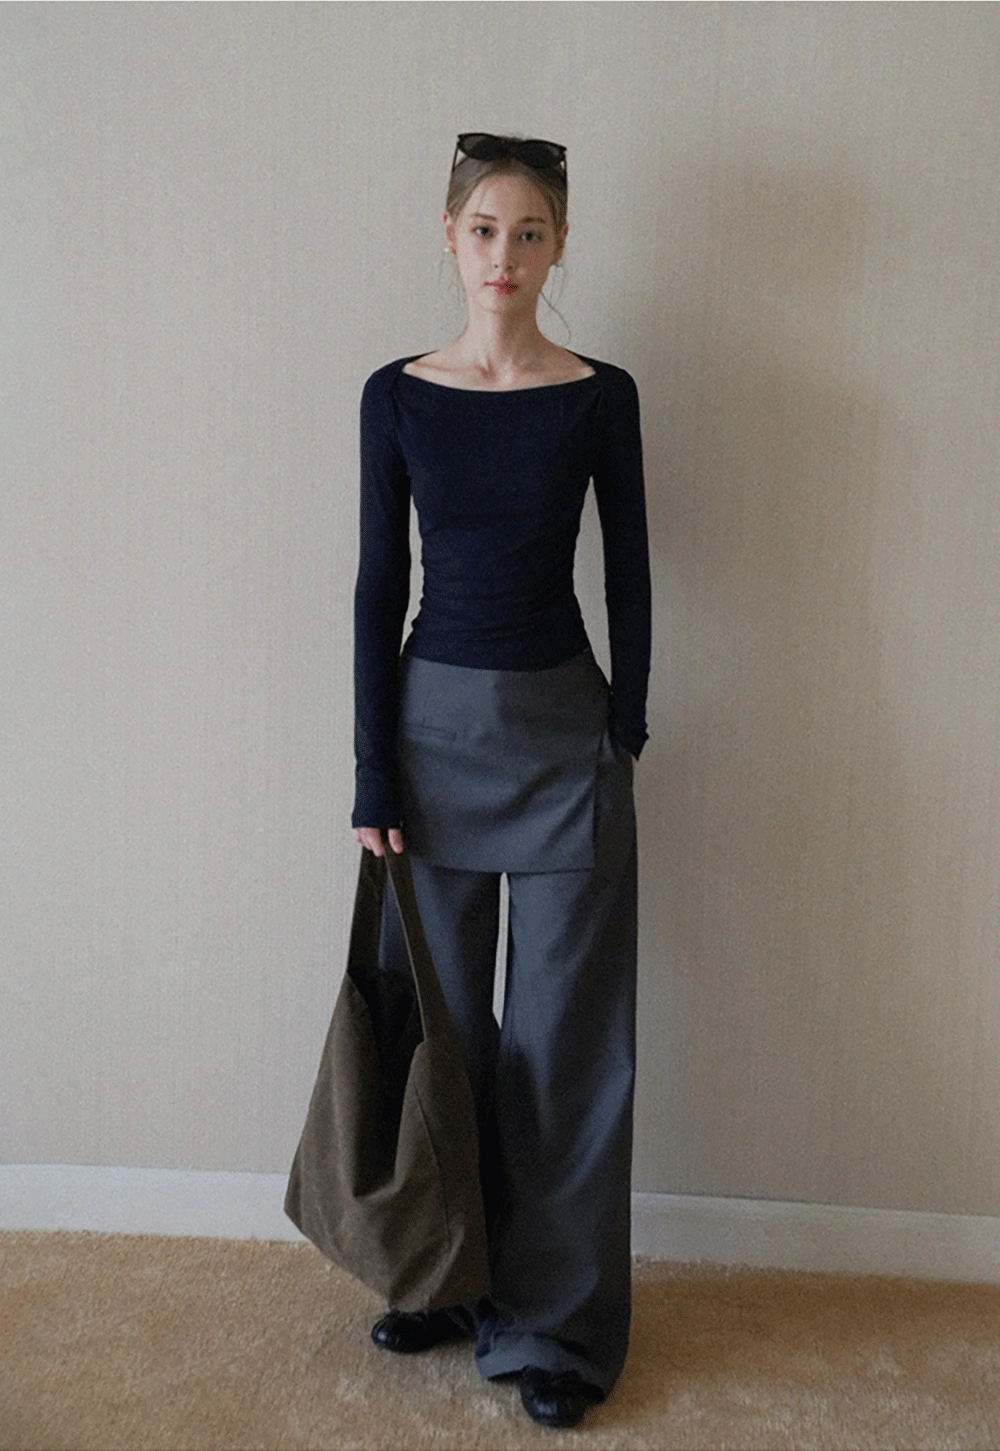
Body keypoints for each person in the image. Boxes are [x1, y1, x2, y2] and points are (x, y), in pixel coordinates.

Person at [351, 132, 651, 1431]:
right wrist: (372, 770)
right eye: (485, 229)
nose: (506, 257)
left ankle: (557, 1328)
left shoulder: (600, 395)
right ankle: (442, 1275)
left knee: (563, 1044)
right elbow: (379, 584)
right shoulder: (396, 395)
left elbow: (630, 565)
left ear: (560, 244)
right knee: (447, 1035)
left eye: (531, 233)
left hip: (565, 739)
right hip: (430, 745)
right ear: (450, 234)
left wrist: (626, 722)